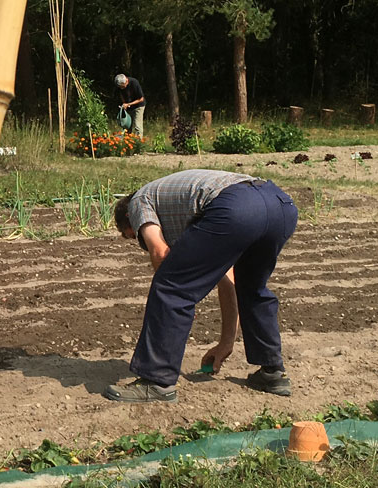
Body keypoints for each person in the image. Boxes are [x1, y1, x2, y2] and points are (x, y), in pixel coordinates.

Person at [102, 169, 297, 403]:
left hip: (237, 207)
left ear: (129, 221)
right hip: (279, 205)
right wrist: (226, 343)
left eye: (133, 236)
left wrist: (174, 305)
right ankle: (272, 373)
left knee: (169, 285)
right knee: (253, 288)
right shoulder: (191, 211)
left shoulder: (138, 201)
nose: (138, 240)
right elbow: (228, 281)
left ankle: (157, 382)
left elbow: (159, 252)